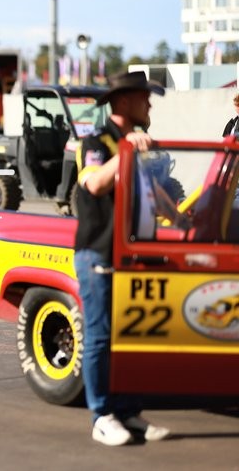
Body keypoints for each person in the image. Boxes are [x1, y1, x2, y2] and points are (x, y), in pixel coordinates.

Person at [74, 71, 171, 446]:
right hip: (98, 252)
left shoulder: (136, 144)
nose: (149, 105)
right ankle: (101, 417)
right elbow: (95, 183)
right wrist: (128, 149)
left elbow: (154, 193)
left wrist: (181, 217)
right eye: (145, 99)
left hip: (131, 256)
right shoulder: (95, 143)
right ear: (126, 101)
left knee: (130, 336)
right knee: (99, 338)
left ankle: (128, 412)